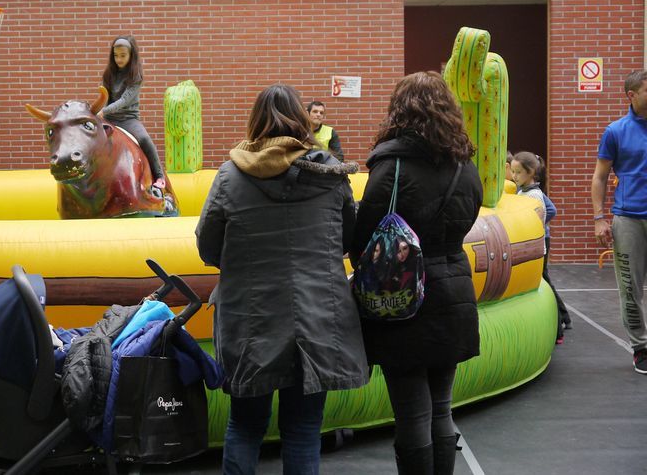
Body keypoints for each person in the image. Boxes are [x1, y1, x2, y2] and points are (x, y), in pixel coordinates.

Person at [196, 84, 369, 474]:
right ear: (302, 121)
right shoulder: (330, 173)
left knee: (245, 425)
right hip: (318, 317)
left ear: (255, 122)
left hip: (251, 319)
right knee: (304, 429)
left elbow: (208, 247)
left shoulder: (230, 176)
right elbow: (347, 240)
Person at [350, 71, 482, 474]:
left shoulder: (391, 167)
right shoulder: (465, 165)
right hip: (454, 290)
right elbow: (468, 219)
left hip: (404, 299)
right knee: (441, 407)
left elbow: (363, 240)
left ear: (399, 111)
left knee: (411, 412)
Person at [591, 69, 647, 374]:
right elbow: (600, 177)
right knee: (630, 288)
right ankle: (641, 348)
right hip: (629, 220)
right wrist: (599, 218)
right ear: (632, 95)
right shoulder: (615, 131)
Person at [511, 151, 569, 343]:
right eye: (513, 172)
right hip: (531, 247)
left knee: (544, 285)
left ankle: (558, 328)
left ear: (530, 173)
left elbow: (533, 221)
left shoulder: (534, 195)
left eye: (518, 172)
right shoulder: (522, 192)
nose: (514, 176)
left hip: (536, 248)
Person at [100, 35, 165, 189]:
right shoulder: (109, 74)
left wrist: (104, 111)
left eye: (123, 55)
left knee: (144, 139)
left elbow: (124, 101)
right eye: (116, 55)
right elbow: (105, 97)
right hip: (109, 117)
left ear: (131, 55)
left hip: (128, 119)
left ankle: (159, 176)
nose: (119, 59)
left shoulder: (135, 76)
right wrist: (100, 112)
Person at [535, 157, 572, 334]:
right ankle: (564, 316)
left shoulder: (535, 193)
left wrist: (537, 223)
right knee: (545, 277)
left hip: (543, 237)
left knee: (544, 277)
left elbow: (551, 210)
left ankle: (562, 316)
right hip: (542, 236)